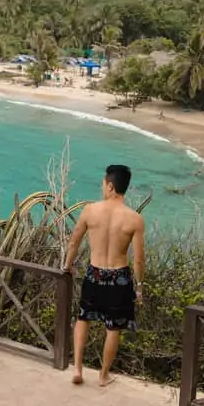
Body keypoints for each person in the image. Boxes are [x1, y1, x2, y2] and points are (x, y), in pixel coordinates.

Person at [63, 165, 146, 387]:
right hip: (119, 278)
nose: (102, 187)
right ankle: (103, 375)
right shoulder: (134, 219)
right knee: (113, 328)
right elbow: (138, 259)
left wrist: (67, 265)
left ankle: (78, 369)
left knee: (83, 319)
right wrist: (139, 287)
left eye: (103, 183)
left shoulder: (90, 211)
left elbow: (74, 242)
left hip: (94, 273)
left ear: (110, 186)